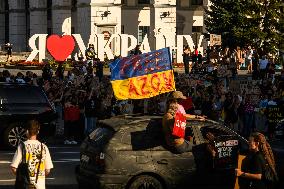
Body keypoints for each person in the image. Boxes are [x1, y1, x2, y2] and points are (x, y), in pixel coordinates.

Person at [10, 120, 53, 189]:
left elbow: (13, 167)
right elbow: (47, 170)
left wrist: (23, 177)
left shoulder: (22, 146)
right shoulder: (44, 147)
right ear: (38, 131)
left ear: (27, 131)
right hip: (40, 186)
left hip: (25, 185)